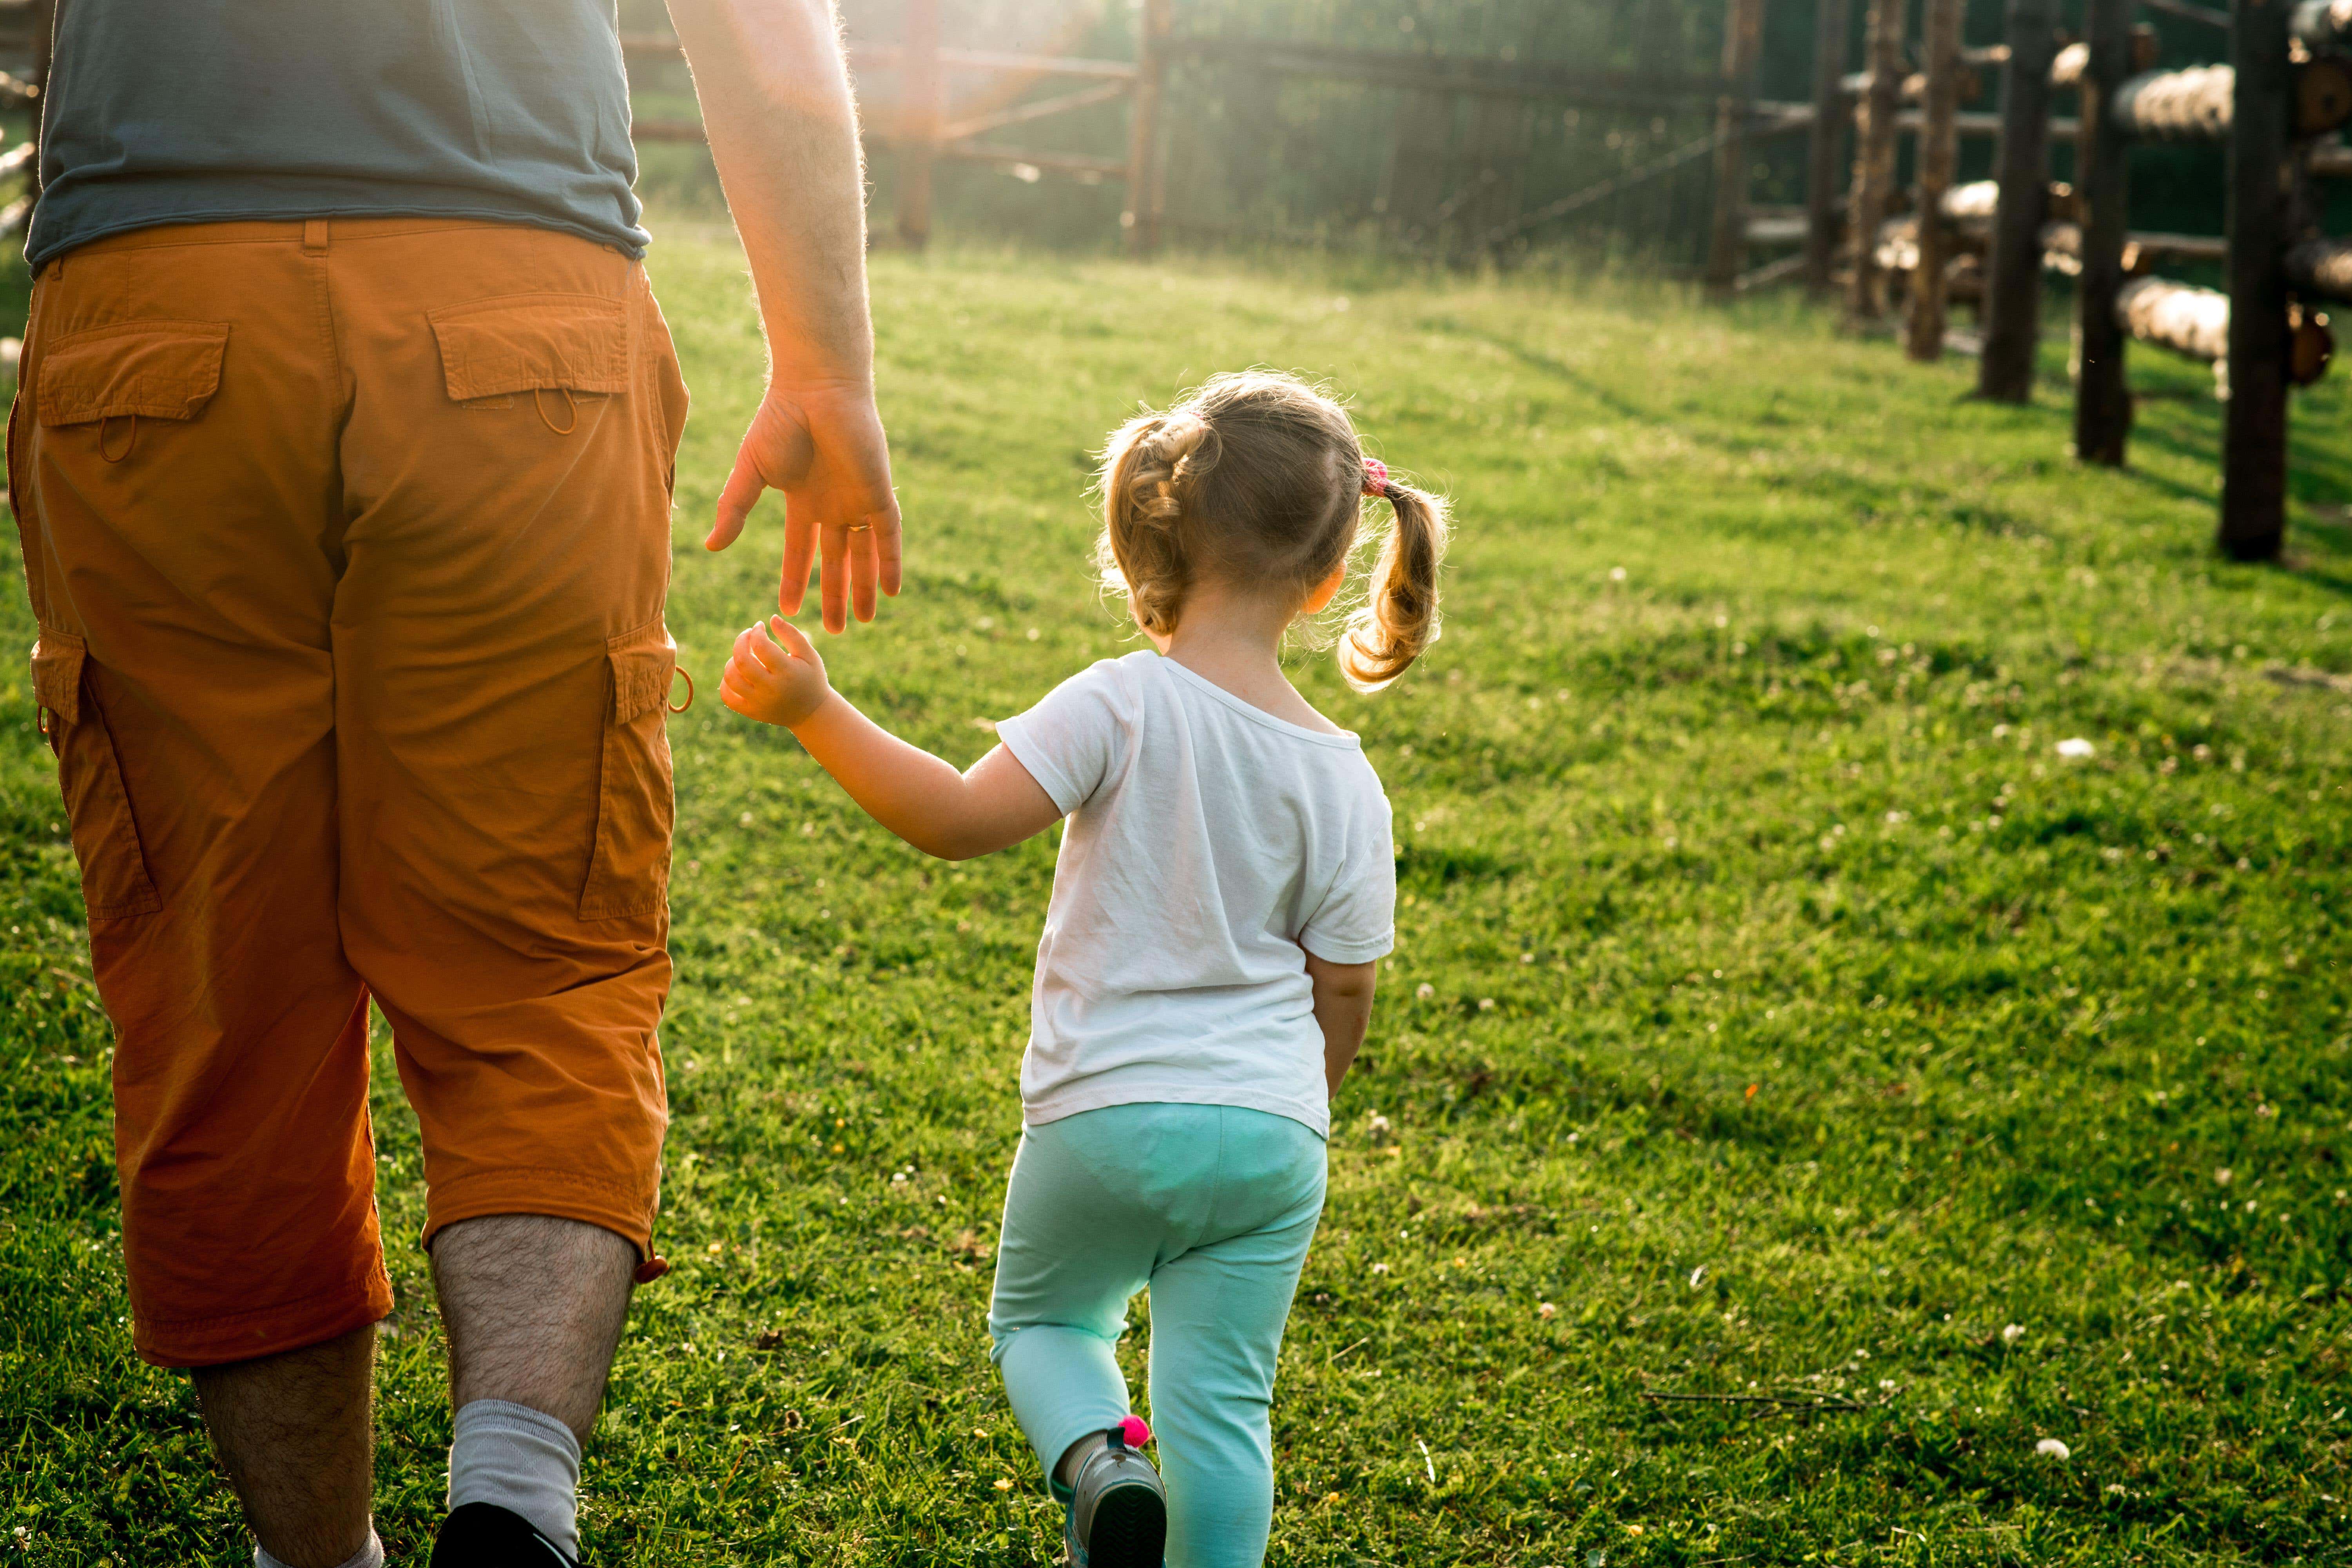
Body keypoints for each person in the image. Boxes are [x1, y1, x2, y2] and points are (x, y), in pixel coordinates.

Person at [10, 3, 900, 1565]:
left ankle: (324, 1558)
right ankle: (508, 1491)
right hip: (519, 305)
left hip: (153, 307)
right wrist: (825, 360)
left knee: (229, 1002)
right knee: (543, 973)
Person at [720, 370, 1450, 1567]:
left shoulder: (1119, 703)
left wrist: (815, 708)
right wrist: (1293, 1096)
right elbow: (1349, 984)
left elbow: (956, 817)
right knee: (1224, 1407)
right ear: (1328, 580)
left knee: (1047, 1319)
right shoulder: (1344, 777)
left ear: (1155, 533)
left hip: (1105, 1114)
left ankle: (1102, 1461)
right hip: (1273, 1134)